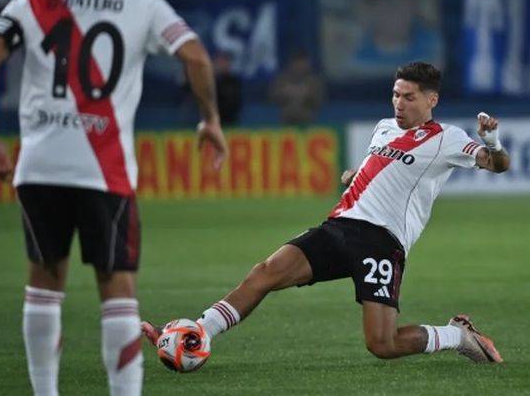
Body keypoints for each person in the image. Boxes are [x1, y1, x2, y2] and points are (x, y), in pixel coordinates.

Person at [0, 0, 229, 396]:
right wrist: (210, 119)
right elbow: (194, 54)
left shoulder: (35, 1)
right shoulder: (143, 3)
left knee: (44, 286)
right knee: (116, 289)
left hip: (40, 165)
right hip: (103, 169)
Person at [143, 61, 511, 363]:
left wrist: (491, 141)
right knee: (265, 273)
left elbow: (497, 165)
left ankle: (456, 335)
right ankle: (197, 332)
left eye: (409, 97)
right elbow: (381, 171)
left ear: (431, 100)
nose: (399, 103)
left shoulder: (446, 138)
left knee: (382, 345)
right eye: (395, 95)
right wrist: (355, 176)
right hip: (339, 227)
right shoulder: (383, 129)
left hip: (381, 243)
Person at [269, 51, 325, 125]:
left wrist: (305, 94)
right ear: (292, 63)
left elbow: (319, 100)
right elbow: (273, 97)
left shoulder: (314, 81)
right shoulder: (282, 80)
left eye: (304, 63)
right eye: (298, 63)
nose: (301, 66)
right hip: (286, 121)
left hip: (308, 122)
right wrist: (286, 94)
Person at [212, 51, 242, 125]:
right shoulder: (210, 81)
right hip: (212, 119)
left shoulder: (234, 81)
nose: (222, 64)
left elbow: (237, 101)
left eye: (224, 62)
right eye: (220, 62)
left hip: (231, 119)